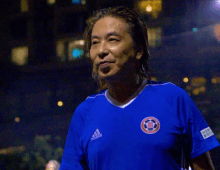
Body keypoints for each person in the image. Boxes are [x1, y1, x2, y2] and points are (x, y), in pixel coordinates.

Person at [60, 6, 219, 170]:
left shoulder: (173, 98)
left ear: (138, 50)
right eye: (95, 43)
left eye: (112, 40)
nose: (101, 50)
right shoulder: (84, 113)